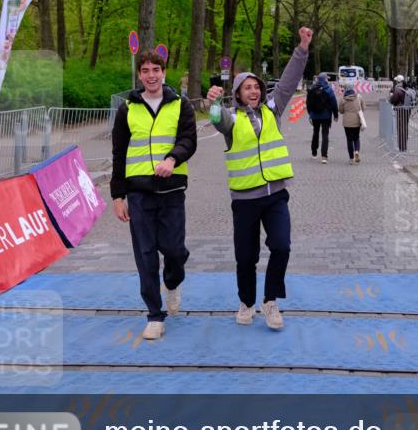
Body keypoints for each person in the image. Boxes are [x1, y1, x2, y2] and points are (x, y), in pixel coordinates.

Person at [206, 27, 312, 330]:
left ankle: (270, 301)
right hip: (245, 200)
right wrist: (212, 101)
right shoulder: (231, 119)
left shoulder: (272, 110)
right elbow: (215, 118)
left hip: (275, 194)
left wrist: (301, 48)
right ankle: (246, 302)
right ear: (237, 93)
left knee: (281, 246)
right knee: (246, 256)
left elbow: (290, 80)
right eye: (246, 87)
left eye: (256, 86)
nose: (253, 91)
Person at [111, 50, 197, 340]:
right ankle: (154, 314)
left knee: (174, 251)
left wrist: (172, 160)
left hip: (172, 190)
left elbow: (189, 140)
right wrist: (118, 196)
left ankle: (172, 283)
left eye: (155, 70)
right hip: (138, 194)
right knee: (145, 254)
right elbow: (118, 153)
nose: (151, 75)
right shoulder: (127, 109)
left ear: (164, 72)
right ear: (139, 75)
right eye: (145, 70)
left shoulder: (180, 105)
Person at [306, 72, 338, 162]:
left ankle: (314, 153)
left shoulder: (312, 88)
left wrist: (310, 114)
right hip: (326, 115)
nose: (328, 79)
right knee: (325, 135)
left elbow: (308, 103)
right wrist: (335, 114)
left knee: (315, 133)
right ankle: (324, 156)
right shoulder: (328, 89)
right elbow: (333, 103)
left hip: (314, 115)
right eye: (327, 78)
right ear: (324, 79)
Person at [338, 86, 365, 163]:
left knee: (349, 140)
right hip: (357, 121)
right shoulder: (358, 98)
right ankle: (356, 151)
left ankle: (351, 158)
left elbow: (341, 111)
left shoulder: (343, 100)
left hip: (347, 122)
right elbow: (363, 108)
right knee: (356, 138)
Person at [389, 74, 412, 152]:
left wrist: (391, 96)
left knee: (400, 128)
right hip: (407, 110)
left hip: (400, 111)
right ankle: (404, 145)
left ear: (398, 81)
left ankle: (401, 147)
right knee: (405, 127)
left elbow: (393, 101)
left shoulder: (398, 90)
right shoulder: (407, 88)